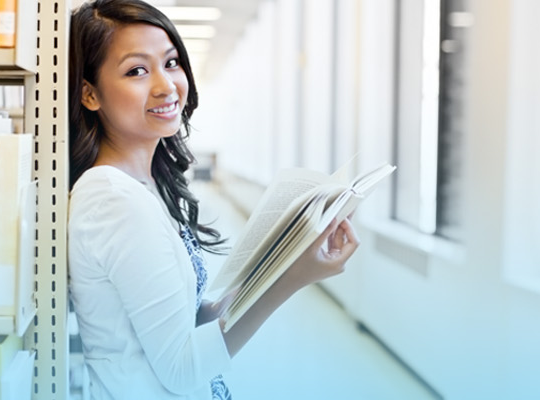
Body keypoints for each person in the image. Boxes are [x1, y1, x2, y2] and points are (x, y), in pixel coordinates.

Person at [66, 1, 360, 399]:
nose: (166, 86)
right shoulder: (112, 200)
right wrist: (294, 279)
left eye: (171, 63)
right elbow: (183, 368)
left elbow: (177, 320)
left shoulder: (142, 186)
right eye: (137, 70)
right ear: (89, 94)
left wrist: (281, 261)